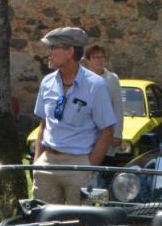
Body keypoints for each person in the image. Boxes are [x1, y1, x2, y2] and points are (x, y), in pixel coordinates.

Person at [32, 27, 116, 204]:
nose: (49, 53)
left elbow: (107, 130)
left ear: (70, 52)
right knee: (42, 217)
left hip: (79, 163)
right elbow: (43, 124)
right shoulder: (47, 82)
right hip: (48, 162)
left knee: (78, 219)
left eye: (53, 48)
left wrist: (89, 167)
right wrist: (37, 162)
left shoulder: (96, 85)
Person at [82, 44, 124, 162]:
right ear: (88, 60)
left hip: (106, 131)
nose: (99, 60)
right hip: (86, 133)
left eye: (102, 57)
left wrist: (117, 134)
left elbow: (118, 107)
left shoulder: (112, 79)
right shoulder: (82, 79)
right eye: (96, 57)